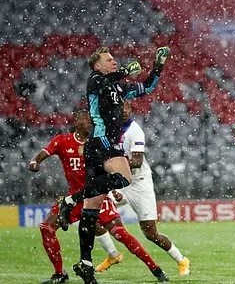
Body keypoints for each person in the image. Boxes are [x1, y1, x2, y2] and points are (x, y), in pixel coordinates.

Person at [66, 46, 170, 284]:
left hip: (99, 148)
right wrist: (124, 70)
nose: (113, 62)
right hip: (100, 142)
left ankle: (86, 263)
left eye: (114, 59)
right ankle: (75, 200)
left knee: (91, 208)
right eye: (108, 60)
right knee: (124, 179)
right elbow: (104, 83)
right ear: (97, 65)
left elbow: (147, 87)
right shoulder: (94, 81)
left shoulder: (118, 87)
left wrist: (158, 66)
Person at [28, 109, 168, 284]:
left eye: (92, 120)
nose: (90, 123)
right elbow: (45, 151)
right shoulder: (62, 141)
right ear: (77, 121)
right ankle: (59, 274)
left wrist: (114, 188)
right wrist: (35, 161)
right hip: (74, 198)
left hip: (97, 196)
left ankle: (156, 269)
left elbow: (113, 167)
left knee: (120, 233)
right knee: (46, 227)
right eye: (86, 119)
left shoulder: (100, 144)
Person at [100, 101, 190, 276]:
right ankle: (113, 254)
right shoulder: (109, 129)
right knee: (94, 214)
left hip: (139, 183)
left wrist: (111, 165)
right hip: (119, 181)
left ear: (130, 109)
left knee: (150, 232)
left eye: (126, 108)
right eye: (120, 108)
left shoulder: (134, 131)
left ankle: (182, 260)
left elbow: (137, 161)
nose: (123, 112)